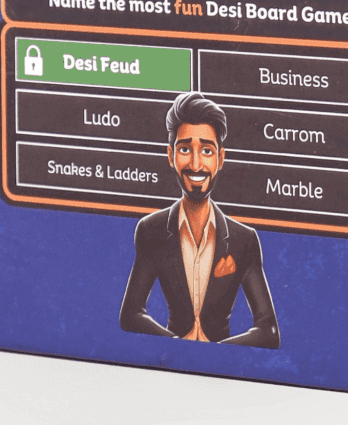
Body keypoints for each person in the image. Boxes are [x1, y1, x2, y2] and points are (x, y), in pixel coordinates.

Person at [119, 92, 280, 348]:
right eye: (185, 149)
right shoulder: (151, 230)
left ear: (220, 158)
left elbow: (268, 329)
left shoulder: (244, 240)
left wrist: (215, 353)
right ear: (171, 155)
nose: (196, 164)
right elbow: (131, 314)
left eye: (206, 150)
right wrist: (177, 346)